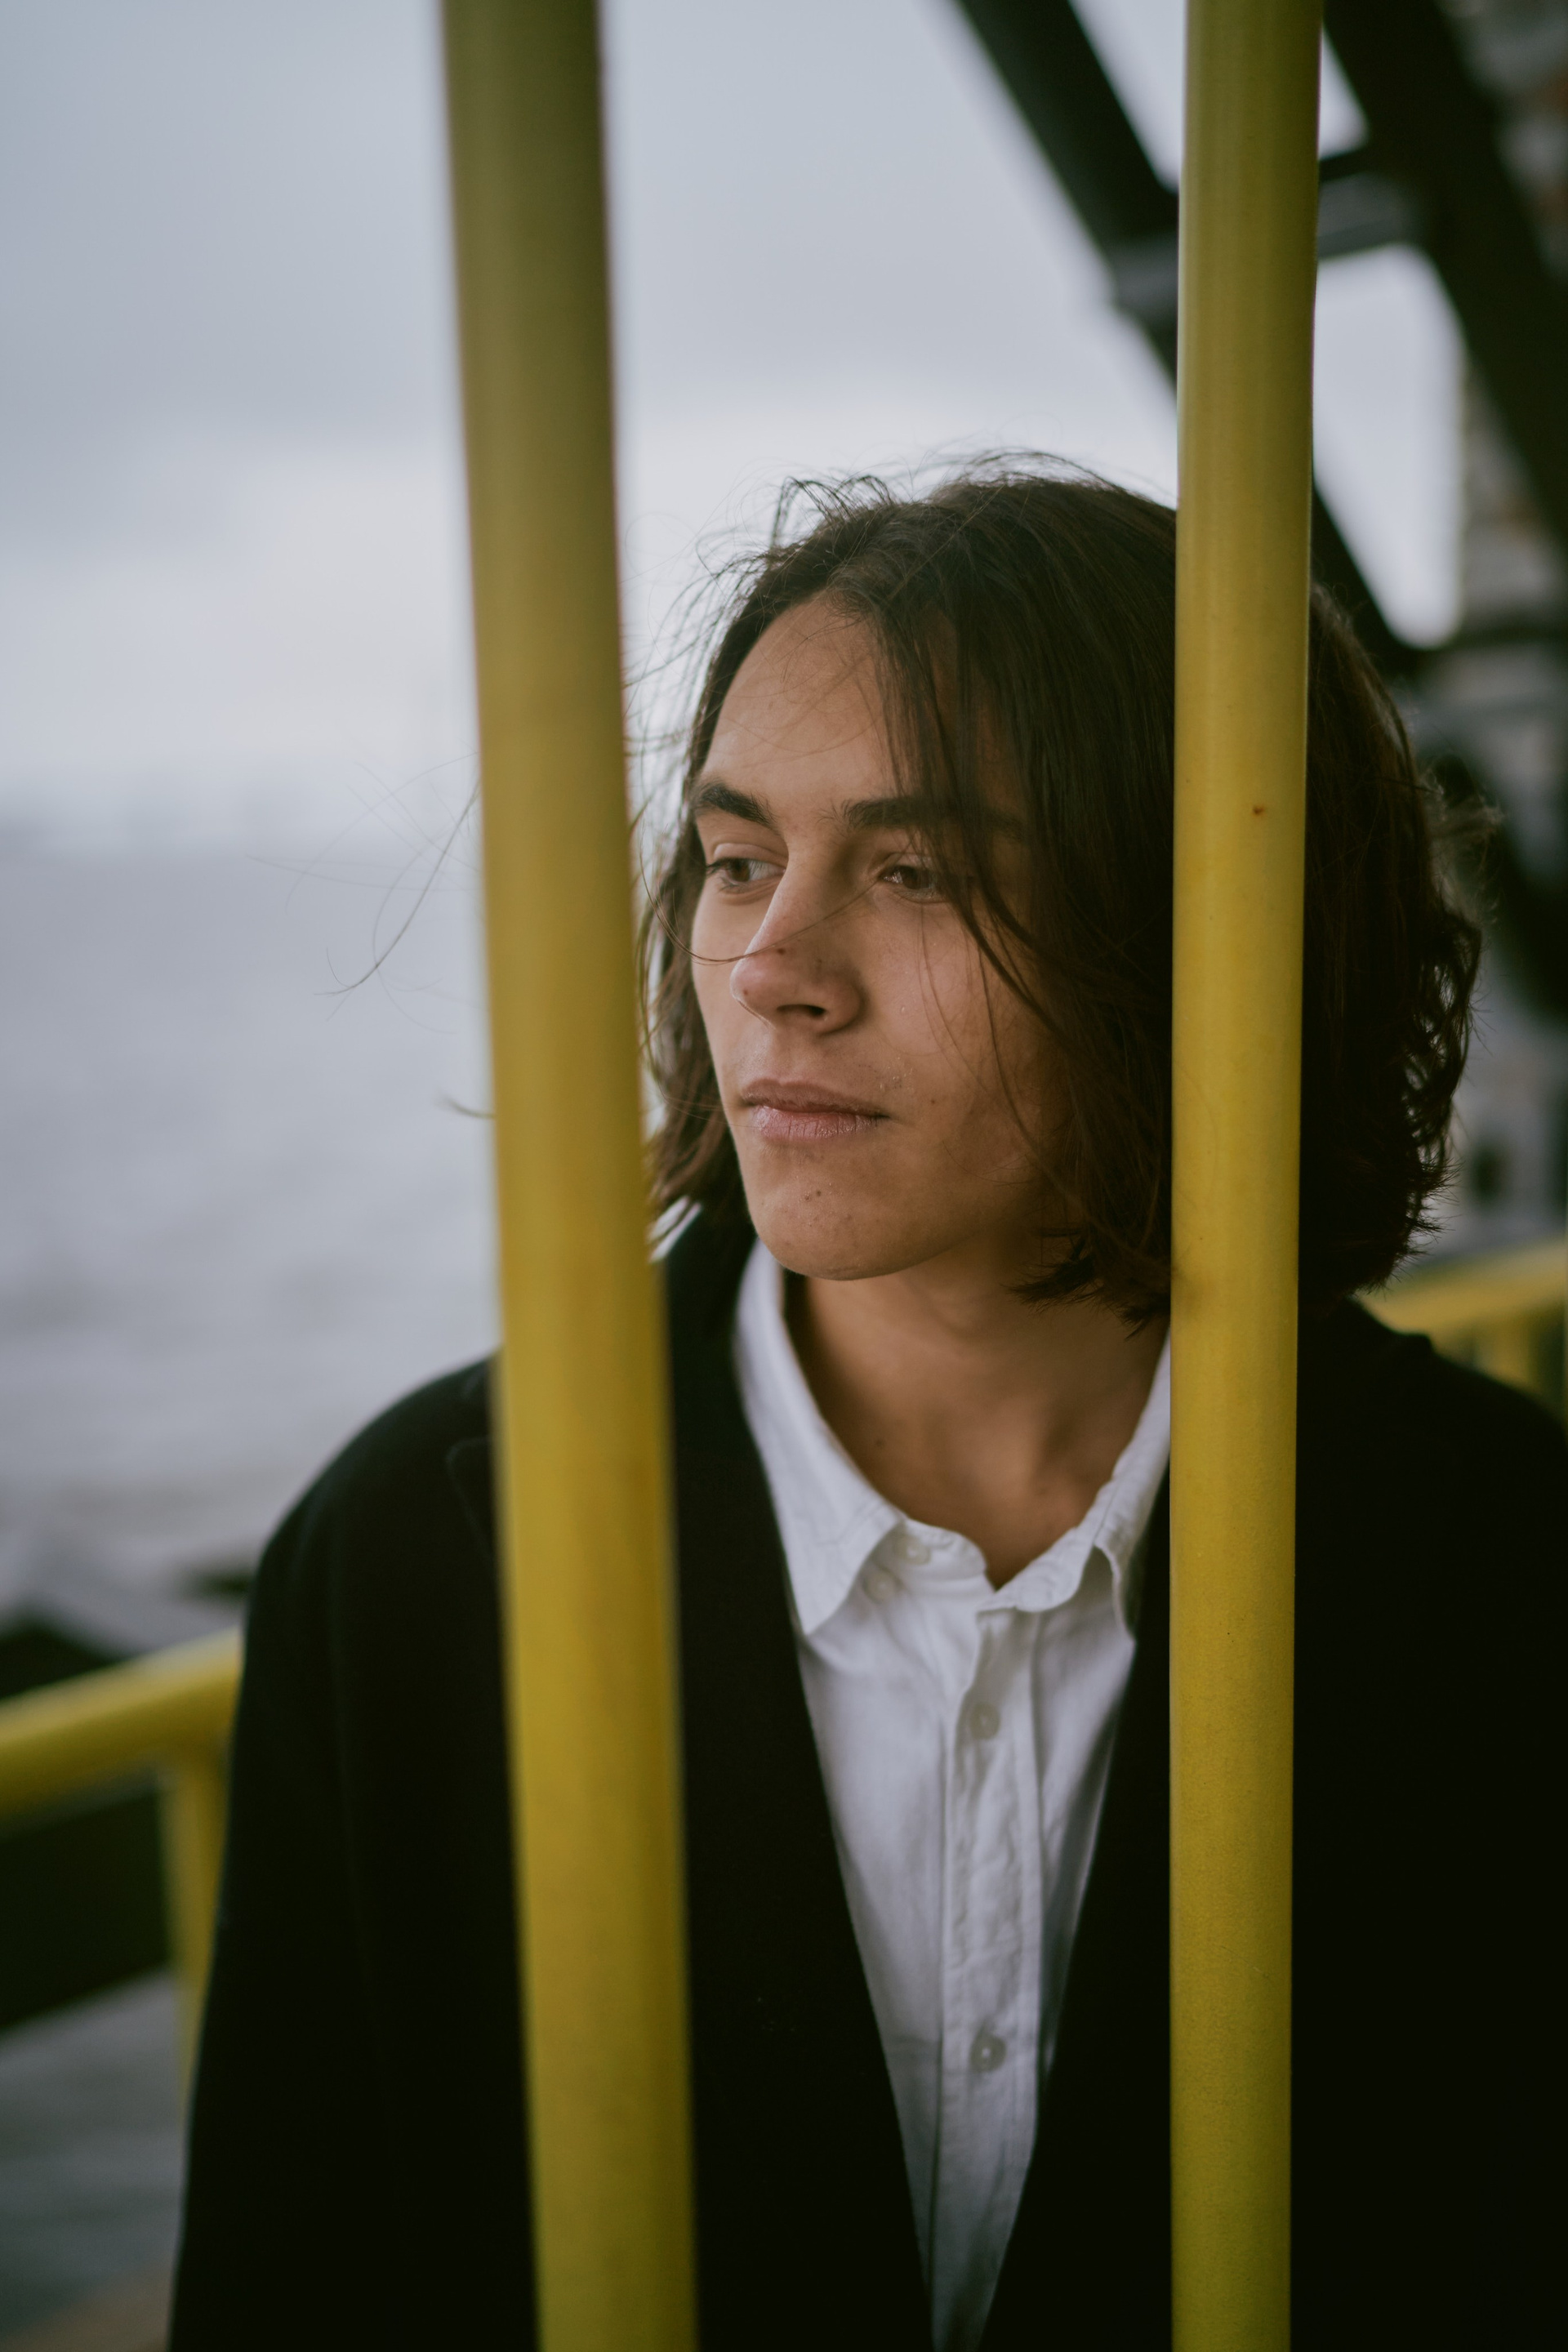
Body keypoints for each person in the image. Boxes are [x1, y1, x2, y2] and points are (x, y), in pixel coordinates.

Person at [170, 468, 1564, 2352]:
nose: (773, 973)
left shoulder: (1500, 1563)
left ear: (1215, 927)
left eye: (920, 873)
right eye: (740, 858)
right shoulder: (411, 1565)